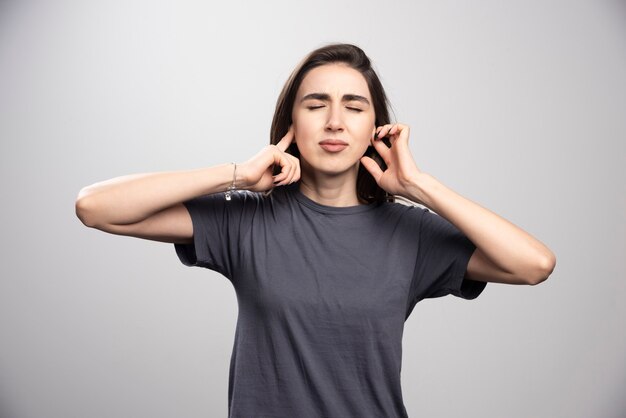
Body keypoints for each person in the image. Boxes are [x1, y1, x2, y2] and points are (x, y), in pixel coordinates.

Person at [75, 43, 556, 417]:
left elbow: (534, 264)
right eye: (315, 104)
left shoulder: (412, 234)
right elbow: (95, 207)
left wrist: (419, 186)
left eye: (353, 106)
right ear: (291, 124)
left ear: (376, 128)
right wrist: (238, 172)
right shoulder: (246, 219)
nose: (334, 121)